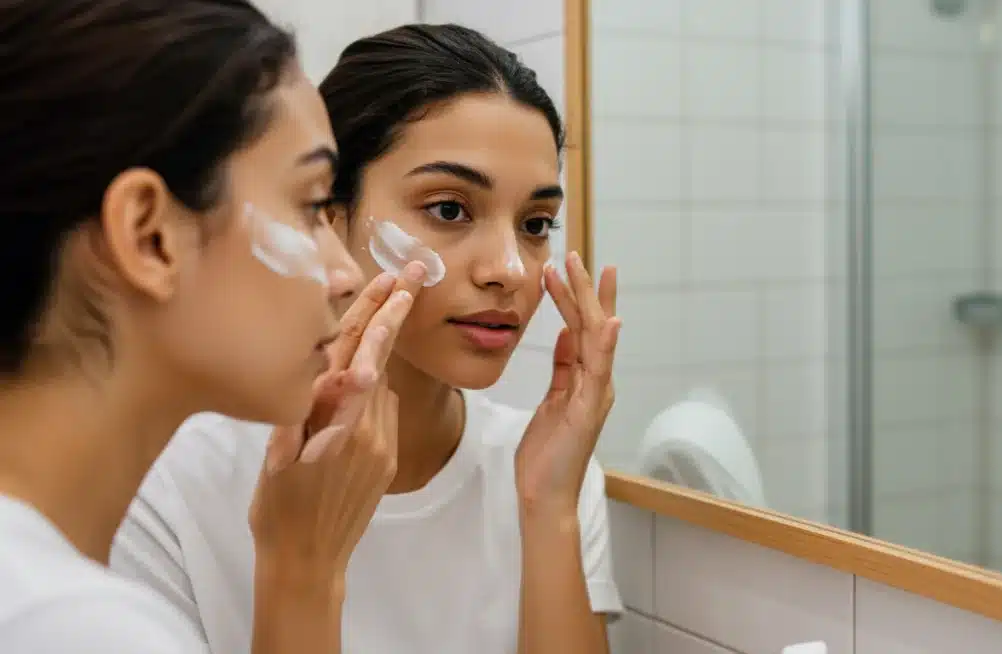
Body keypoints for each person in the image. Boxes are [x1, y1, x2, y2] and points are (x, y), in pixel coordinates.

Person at [112, 23, 624, 654]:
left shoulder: (545, 471)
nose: (509, 269)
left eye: (536, 222)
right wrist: (300, 566)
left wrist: (549, 512)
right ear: (328, 214)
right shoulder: (169, 486)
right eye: (448, 209)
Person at [0, 1, 429, 653]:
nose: (345, 273)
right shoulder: (71, 626)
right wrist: (304, 576)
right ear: (150, 238)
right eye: (312, 205)